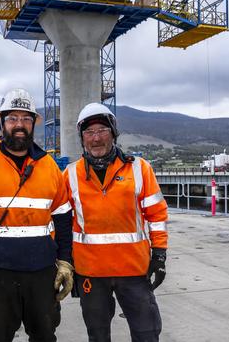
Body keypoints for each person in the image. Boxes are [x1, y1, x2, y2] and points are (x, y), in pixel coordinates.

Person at [0, 88, 74, 342]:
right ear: (0, 122)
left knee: (44, 335)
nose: (19, 125)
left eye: (26, 119)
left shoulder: (49, 167)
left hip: (42, 273)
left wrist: (65, 261)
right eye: (12, 118)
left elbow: (63, 218)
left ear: (33, 124)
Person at [63, 103, 168, 342]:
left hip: (134, 270)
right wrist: (65, 264)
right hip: (90, 273)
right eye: (89, 132)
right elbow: (61, 225)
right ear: (82, 138)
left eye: (102, 130)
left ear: (113, 133)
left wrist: (160, 255)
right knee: (98, 336)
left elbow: (157, 216)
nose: (96, 138)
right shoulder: (69, 175)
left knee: (147, 333)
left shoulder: (140, 169)